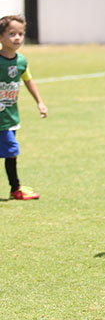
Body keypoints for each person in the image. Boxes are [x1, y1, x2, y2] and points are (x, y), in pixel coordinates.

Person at [0, 15, 47, 200]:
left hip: (10, 118)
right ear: (1, 37)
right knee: (11, 151)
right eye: (12, 34)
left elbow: (28, 80)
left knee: (11, 155)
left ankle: (15, 188)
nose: (17, 38)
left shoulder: (21, 61)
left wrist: (40, 102)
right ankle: (16, 188)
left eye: (20, 33)